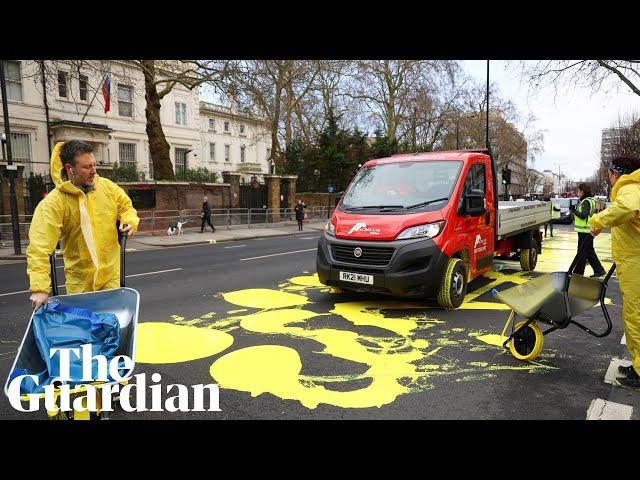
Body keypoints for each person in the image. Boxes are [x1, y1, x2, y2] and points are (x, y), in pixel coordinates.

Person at [27, 140, 139, 311]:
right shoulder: (55, 202)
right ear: (70, 168)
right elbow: (40, 247)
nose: (94, 171)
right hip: (80, 285)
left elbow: (126, 206)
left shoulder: (107, 188)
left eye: (94, 165)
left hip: (111, 278)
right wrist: (40, 289)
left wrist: (129, 221)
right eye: (87, 167)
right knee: (84, 332)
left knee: (112, 329)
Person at [589, 155, 640, 390]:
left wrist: (597, 219)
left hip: (636, 264)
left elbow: (626, 209)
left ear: (616, 173)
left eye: (609, 173)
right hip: (632, 262)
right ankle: (638, 365)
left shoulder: (629, 187)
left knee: (635, 316)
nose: (609, 179)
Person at [569, 182, 606, 278]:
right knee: (589, 251)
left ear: (582, 191)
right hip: (588, 230)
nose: (578, 193)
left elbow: (583, 215)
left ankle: (578, 273)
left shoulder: (586, 201)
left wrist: (573, 210)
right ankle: (599, 270)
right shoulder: (591, 200)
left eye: (578, 191)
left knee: (582, 252)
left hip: (584, 232)